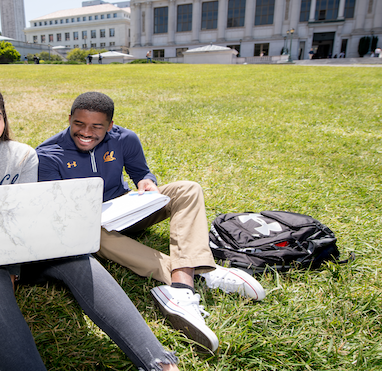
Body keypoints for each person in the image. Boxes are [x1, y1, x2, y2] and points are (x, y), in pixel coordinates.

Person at [0, 79, 180, 370]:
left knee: (76, 257)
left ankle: (160, 363)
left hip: (21, 253)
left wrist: (12, 265)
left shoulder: (21, 156)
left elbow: (29, 219)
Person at [36, 92, 266, 352]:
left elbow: (141, 172)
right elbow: (54, 212)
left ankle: (183, 283)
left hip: (127, 211)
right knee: (90, 233)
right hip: (88, 225)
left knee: (187, 188)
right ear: (69, 119)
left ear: (110, 126)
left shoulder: (125, 138)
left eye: (96, 127)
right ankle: (195, 275)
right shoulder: (47, 154)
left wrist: (147, 182)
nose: (85, 132)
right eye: (78, 124)